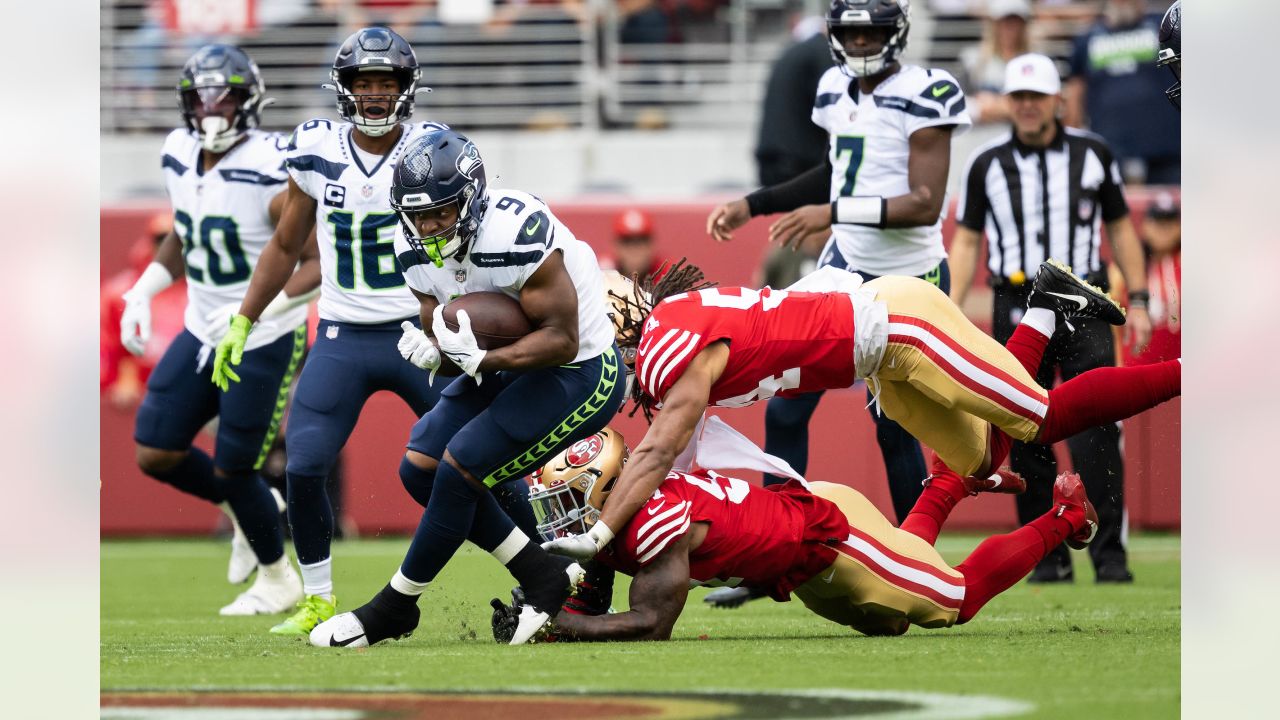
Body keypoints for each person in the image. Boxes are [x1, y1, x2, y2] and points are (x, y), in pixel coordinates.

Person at [538, 259, 1181, 568]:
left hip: (899, 325)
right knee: (983, 454)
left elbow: (653, 458)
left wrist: (594, 540)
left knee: (1036, 417)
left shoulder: (668, 344)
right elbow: (671, 464)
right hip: (879, 363)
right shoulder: (668, 346)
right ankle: (1046, 304)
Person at [306, 129, 627, 649]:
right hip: (505, 364)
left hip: (582, 371)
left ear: (472, 199)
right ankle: (544, 576)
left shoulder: (516, 230)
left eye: (441, 212)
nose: (428, 226)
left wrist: (482, 358)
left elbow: (562, 340)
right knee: (420, 469)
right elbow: (445, 325)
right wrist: (440, 352)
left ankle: (394, 606)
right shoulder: (407, 244)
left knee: (460, 469)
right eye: (418, 215)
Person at [210, 27, 451, 636]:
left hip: (417, 332)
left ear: (406, 88)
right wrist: (246, 316)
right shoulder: (315, 147)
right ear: (344, 90)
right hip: (343, 332)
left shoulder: (432, 147)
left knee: (479, 455)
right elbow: (288, 243)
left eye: (385, 83)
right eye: (363, 83)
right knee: (304, 465)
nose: (374, 95)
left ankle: (547, 573)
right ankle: (317, 597)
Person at [705, 0, 972, 532]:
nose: (861, 45)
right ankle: (773, 543)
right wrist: (753, 204)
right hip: (845, 267)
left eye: (872, 33)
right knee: (784, 409)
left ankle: (915, 559)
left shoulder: (927, 92)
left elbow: (923, 201)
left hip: (909, 278)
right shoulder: (832, 89)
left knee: (894, 427)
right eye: (851, 35)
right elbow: (839, 170)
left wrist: (833, 212)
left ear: (894, 34)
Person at [491, 421, 1096, 642]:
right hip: (801, 561)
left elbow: (653, 624)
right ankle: (946, 485)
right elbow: (590, 592)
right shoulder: (626, 512)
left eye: (567, 498)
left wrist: (562, 626)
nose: (559, 515)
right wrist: (546, 613)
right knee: (889, 622)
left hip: (836, 540)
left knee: (951, 603)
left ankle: (1066, 516)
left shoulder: (652, 521)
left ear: (604, 487)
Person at [121, 45, 321, 615]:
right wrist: (145, 288)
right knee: (155, 450)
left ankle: (278, 578)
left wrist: (258, 312)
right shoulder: (176, 150)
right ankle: (247, 508)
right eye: (200, 98)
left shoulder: (270, 164)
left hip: (262, 336)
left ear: (249, 100)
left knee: (237, 467)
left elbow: (315, 261)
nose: (211, 109)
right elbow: (187, 230)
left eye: (224, 96)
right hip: (201, 326)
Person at [949, 53, 1153, 583]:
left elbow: (1121, 228)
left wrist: (1141, 300)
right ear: (1009, 103)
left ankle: (1110, 555)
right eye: (1019, 98)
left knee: (1097, 431)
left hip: (1084, 305)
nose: (1028, 108)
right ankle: (1048, 558)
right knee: (1024, 435)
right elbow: (968, 239)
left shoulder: (1093, 153)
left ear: (1057, 100)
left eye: (1037, 98)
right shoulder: (986, 163)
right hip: (1015, 306)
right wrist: (949, 308)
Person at [1064, 0, 1180, 185]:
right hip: (1109, 151)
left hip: (1166, 151)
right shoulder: (1086, 38)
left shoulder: (1166, 27)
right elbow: (1075, 95)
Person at [1112, 193, 1179, 366]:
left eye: (1170, 223)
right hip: (1136, 371)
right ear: (1145, 226)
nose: (1164, 229)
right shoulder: (1125, 269)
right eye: (1158, 222)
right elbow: (1111, 324)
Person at [958, 0, 1033, 124]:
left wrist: (994, 105)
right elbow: (961, 104)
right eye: (1005, 21)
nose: (1010, 28)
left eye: (1015, 22)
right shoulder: (973, 60)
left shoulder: (1035, 62)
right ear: (994, 25)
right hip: (979, 138)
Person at [601, 208, 667, 283]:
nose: (634, 250)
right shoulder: (603, 273)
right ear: (615, 245)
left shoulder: (667, 276)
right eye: (627, 241)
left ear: (652, 244)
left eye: (641, 241)